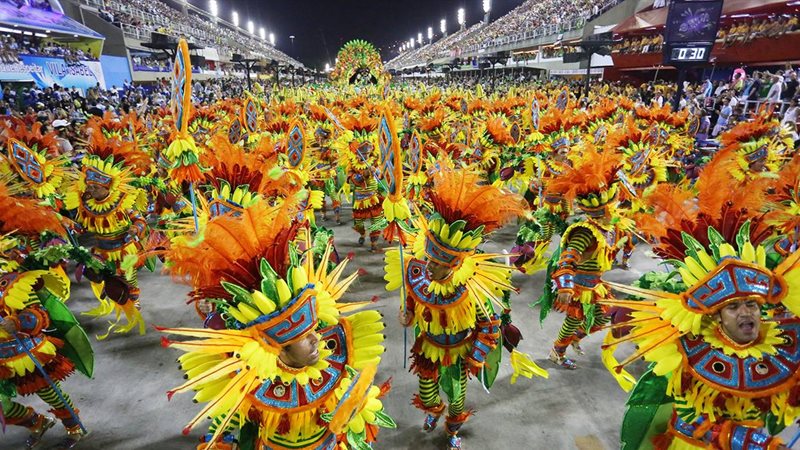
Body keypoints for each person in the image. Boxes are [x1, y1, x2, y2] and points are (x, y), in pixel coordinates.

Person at [161, 200, 396, 450]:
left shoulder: (339, 365)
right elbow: (228, 416)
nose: (317, 339)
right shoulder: (249, 380)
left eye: (313, 331)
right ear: (278, 350)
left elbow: (352, 419)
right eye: (304, 339)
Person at [602, 156, 800, 450]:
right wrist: (750, 441)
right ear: (717, 317)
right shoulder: (691, 352)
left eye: (752, 304)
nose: (746, 312)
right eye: (733, 307)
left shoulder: (782, 343)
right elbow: (688, 421)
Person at [386, 169, 546, 450]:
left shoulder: (473, 288)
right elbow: (411, 298)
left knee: (457, 397)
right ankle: (433, 411)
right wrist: (406, 314)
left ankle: (452, 429)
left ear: (455, 264)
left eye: (437, 264)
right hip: (428, 347)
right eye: (429, 261)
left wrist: (477, 356)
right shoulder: (419, 274)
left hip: (460, 351)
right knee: (427, 394)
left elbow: (489, 325)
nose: (429, 267)